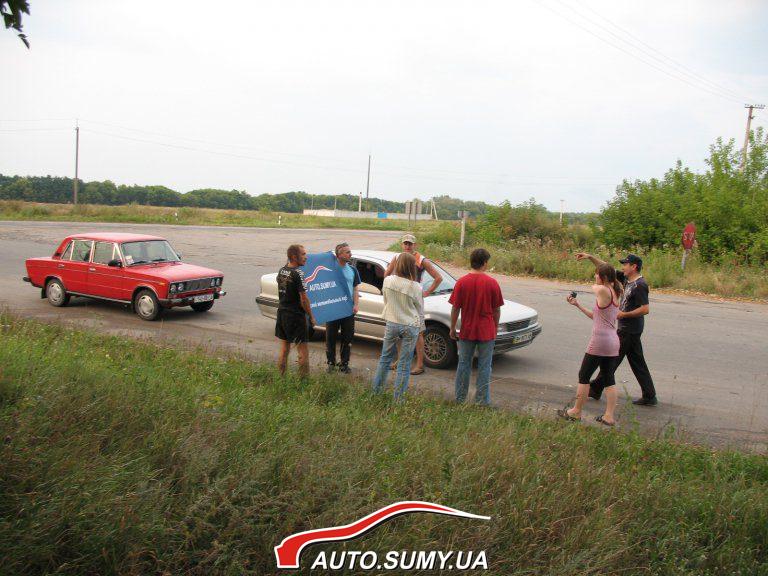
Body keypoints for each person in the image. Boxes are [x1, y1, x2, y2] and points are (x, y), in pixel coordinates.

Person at [576, 252, 658, 406]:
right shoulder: (627, 279)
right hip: (629, 329)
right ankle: (649, 395)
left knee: (611, 360)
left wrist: (624, 314)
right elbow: (607, 269)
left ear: (633, 267)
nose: (623, 267)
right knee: (637, 361)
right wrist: (590, 257)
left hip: (630, 329)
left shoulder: (640, 285)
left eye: (625, 264)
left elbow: (645, 309)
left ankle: (595, 388)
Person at [558, 262, 622, 426]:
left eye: (597, 274)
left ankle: (576, 411)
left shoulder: (602, 289)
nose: (595, 277)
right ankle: (609, 416)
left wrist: (600, 278)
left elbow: (595, 287)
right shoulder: (616, 292)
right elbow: (596, 317)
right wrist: (577, 305)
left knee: (584, 376)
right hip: (613, 341)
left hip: (600, 341)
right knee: (609, 379)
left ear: (604, 277)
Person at [449, 248, 503, 406]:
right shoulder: (492, 283)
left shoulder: (461, 282)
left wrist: (452, 327)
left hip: (467, 330)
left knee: (464, 364)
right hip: (487, 331)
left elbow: (455, 308)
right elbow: (497, 310)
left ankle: (460, 399)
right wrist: (495, 327)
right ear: (485, 263)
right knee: (485, 367)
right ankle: (482, 401)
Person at [384, 233, 443, 375]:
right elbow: (386, 274)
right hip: (400, 298)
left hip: (415, 299)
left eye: (410, 243)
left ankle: (420, 364)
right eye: (405, 243)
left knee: (418, 331)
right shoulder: (397, 257)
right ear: (402, 245)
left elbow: (438, 278)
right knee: (399, 330)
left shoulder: (421, 259)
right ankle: (400, 361)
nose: (407, 246)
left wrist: (426, 292)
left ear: (415, 245)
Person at [372, 252, 424, 400]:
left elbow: (386, 300)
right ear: (411, 267)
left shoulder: (387, 281)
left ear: (398, 265)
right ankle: (398, 399)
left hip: (392, 321)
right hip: (410, 325)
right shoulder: (416, 287)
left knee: (385, 358)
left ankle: (376, 393)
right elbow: (419, 310)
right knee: (404, 364)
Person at [275, 244, 316, 378]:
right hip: (295, 316)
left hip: (282, 313)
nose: (306, 257)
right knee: (303, 350)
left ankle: (280, 378)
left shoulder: (282, 270)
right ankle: (304, 382)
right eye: (303, 254)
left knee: (284, 348)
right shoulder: (298, 273)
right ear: (294, 257)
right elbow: (304, 299)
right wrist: (311, 316)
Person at [325, 242, 360, 374]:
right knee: (330, 338)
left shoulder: (353, 270)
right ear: (339, 255)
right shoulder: (330, 270)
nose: (350, 254)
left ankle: (344, 363)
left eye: (350, 252)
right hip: (333, 308)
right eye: (347, 252)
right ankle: (331, 363)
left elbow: (355, 288)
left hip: (348, 310)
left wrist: (356, 305)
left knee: (347, 337)